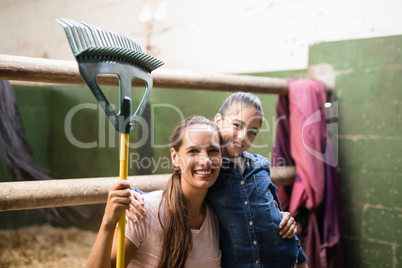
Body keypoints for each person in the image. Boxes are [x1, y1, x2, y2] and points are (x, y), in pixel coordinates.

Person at [132, 92, 308, 267]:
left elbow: (276, 211)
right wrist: (133, 196)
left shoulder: (260, 165)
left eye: (252, 132)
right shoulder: (208, 171)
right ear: (218, 121)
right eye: (237, 125)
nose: (242, 136)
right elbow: (175, 190)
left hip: (285, 258)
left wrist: (287, 222)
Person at [86, 116, 224, 268]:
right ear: (175, 157)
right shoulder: (141, 210)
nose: (205, 161)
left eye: (212, 151)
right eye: (193, 151)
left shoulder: (219, 219)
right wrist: (108, 222)